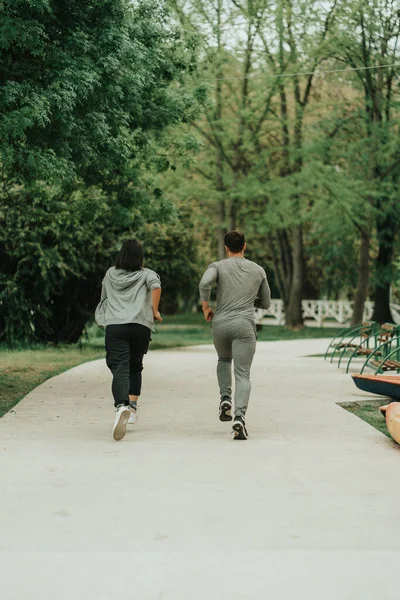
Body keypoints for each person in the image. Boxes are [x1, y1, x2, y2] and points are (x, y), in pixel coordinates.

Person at [199, 230, 271, 440]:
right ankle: (239, 418)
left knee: (223, 359)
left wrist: (206, 308)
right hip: (244, 326)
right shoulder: (258, 270)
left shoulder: (218, 266)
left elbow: (205, 283)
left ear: (226, 248)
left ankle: (225, 398)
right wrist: (249, 301)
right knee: (243, 374)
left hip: (220, 324)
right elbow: (266, 303)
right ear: (245, 246)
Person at [95, 239, 162, 441]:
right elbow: (156, 287)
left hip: (116, 326)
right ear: (139, 258)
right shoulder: (147, 274)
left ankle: (121, 406)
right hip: (140, 327)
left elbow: (104, 298)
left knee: (120, 368)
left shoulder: (110, 273)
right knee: (135, 366)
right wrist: (155, 310)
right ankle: (131, 409)